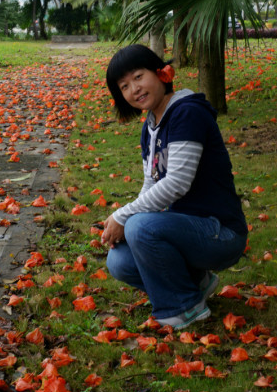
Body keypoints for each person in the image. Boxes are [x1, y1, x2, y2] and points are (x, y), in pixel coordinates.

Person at [102, 44, 248, 330]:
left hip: (221, 232)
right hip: (189, 230)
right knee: (119, 260)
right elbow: (151, 182)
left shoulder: (186, 113)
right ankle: (196, 283)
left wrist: (124, 216)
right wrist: (124, 221)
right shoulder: (152, 124)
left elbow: (177, 184)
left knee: (138, 227)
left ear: (162, 73)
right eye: (124, 85)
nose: (134, 89)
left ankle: (184, 307)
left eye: (138, 77)